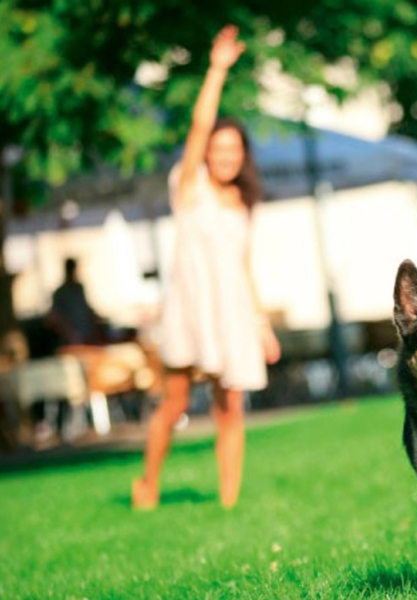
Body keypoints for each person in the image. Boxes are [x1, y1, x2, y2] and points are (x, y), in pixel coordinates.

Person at [132, 25, 280, 510]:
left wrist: (262, 326)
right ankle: (148, 483)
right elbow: (199, 128)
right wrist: (216, 70)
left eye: (233, 151)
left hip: (232, 313)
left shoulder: (243, 201)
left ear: (243, 158)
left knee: (230, 406)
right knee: (173, 403)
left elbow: (244, 267)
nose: (224, 157)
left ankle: (229, 500)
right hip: (191, 309)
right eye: (219, 150)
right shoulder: (188, 185)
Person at [46, 258, 101, 346]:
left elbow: (85, 308)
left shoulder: (79, 288)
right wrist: (70, 335)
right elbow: (55, 317)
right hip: (71, 339)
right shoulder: (60, 292)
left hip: (87, 335)